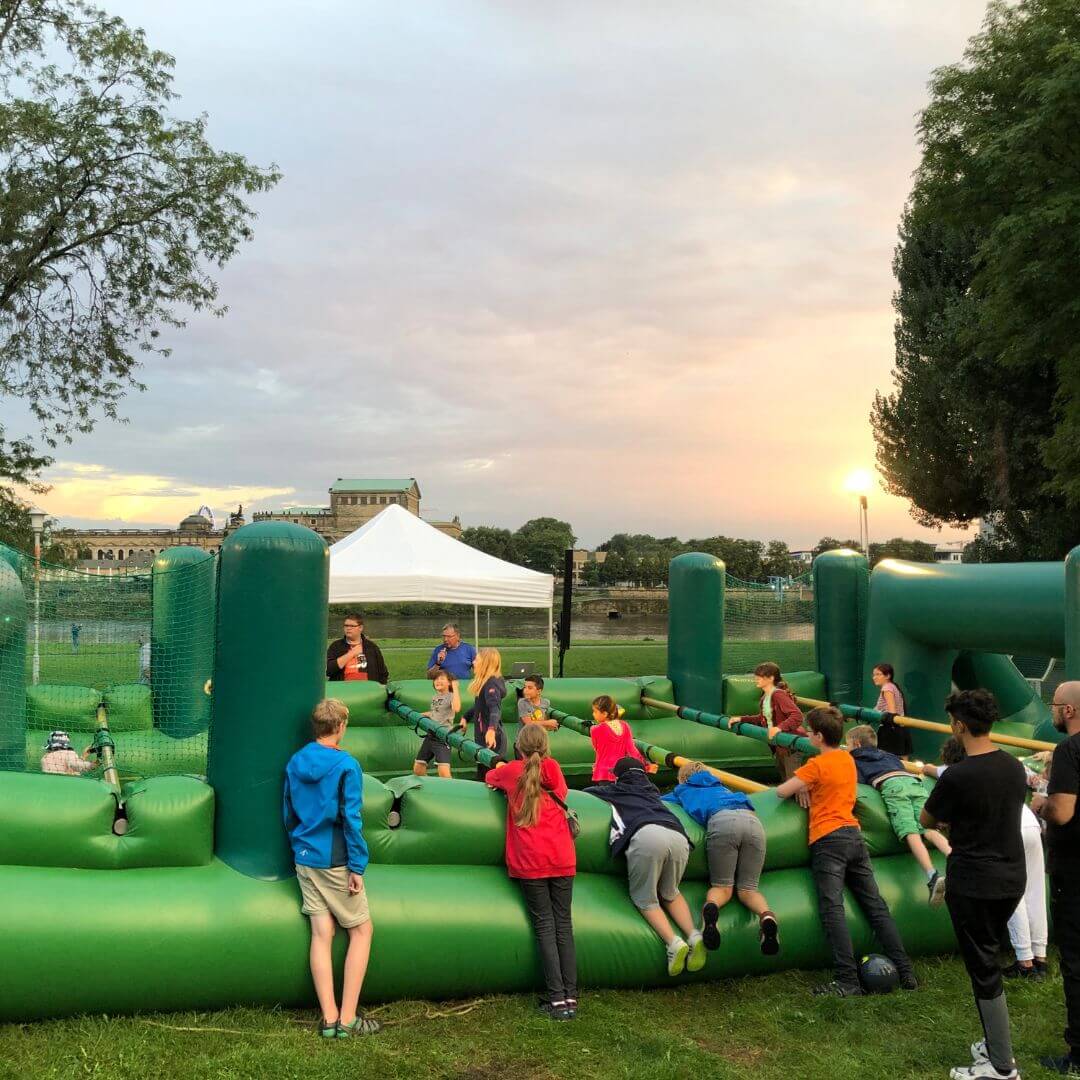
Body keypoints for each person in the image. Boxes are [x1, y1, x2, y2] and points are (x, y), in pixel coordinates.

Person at [775, 705, 917, 997]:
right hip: (853, 835)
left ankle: (847, 979)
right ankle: (906, 972)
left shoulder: (816, 765)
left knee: (833, 909)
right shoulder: (847, 759)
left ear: (817, 737)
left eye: (809, 732)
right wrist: (807, 785)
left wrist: (802, 785)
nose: (807, 735)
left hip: (828, 839)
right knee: (876, 906)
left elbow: (781, 791)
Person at [921, 689, 1026, 1080]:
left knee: (984, 969)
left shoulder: (958, 775)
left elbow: (927, 818)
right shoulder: (1013, 767)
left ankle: (1001, 1066)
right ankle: (994, 1044)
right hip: (1011, 877)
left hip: (975, 882)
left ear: (959, 726)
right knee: (987, 960)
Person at [283, 699, 380, 1038]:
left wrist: (298, 845)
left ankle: (329, 1019)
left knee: (322, 933)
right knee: (362, 931)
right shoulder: (346, 765)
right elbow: (351, 818)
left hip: (305, 856)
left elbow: (288, 811)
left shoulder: (296, 760)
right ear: (340, 727)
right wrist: (357, 865)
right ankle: (348, 1018)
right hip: (334, 859)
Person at [486, 724, 577, 1019]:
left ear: (519, 747)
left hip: (531, 859)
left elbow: (490, 777)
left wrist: (499, 768)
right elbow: (561, 791)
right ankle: (570, 996)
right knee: (563, 925)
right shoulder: (553, 768)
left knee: (545, 927)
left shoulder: (513, 771)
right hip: (561, 854)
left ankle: (557, 999)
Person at [586, 756, 705, 977]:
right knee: (671, 893)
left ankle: (673, 943)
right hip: (679, 836)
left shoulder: (615, 790)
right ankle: (694, 935)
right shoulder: (653, 792)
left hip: (647, 835)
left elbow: (586, 794)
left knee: (645, 899)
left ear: (617, 777)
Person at [662, 760, 780, 955]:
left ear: (683, 779)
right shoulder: (723, 788)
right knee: (749, 889)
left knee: (722, 888)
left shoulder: (683, 789)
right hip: (753, 823)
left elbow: (661, 801)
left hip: (722, 821)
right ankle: (767, 917)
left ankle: (711, 913)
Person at [846, 724, 950, 905]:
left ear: (856, 744)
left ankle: (932, 875)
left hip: (892, 786)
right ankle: (956, 858)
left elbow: (857, 781)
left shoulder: (854, 759)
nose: (847, 748)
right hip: (913, 782)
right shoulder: (889, 755)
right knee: (929, 828)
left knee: (910, 831)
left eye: (848, 745)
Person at [1033, 680, 1080, 1075]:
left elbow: (1062, 812)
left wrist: (1041, 804)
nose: (1051, 710)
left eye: (1053, 703)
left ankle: (1078, 1052)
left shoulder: (1069, 749)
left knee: (1076, 959)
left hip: (1074, 870)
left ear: (1069, 710)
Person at [737, 662, 807, 781]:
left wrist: (779, 728)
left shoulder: (778, 694)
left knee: (793, 783)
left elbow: (797, 715)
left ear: (771, 678)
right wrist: (741, 719)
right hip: (779, 744)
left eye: (760, 676)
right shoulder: (766, 696)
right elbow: (762, 718)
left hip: (790, 745)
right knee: (785, 776)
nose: (756, 679)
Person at [465, 648, 507, 780]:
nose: (473, 662)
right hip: (483, 738)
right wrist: (465, 718)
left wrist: (491, 730)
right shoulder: (485, 683)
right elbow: (480, 707)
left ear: (486, 663)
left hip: (492, 740)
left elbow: (495, 709)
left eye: (476, 660)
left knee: (490, 778)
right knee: (483, 776)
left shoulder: (491, 684)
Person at [413, 671, 460, 779]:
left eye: (442, 679)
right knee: (418, 769)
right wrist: (421, 715)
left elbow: (456, 708)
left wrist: (455, 688)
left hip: (442, 737)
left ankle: (452, 789)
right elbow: (435, 713)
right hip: (430, 736)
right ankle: (429, 787)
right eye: (436, 679)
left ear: (449, 682)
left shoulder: (451, 696)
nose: (438, 681)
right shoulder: (435, 697)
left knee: (444, 774)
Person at [589, 695, 646, 782]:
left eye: (595, 711)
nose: (593, 714)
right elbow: (632, 750)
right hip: (620, 772)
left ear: (605, 714)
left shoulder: (595, 729)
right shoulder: (625, 726)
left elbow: (596, 749)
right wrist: (644, 765)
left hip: (603, 773)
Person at [326, 614, 389, 684]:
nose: (348, 628)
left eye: (352, 626)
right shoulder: (336, 646)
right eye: (346, 625)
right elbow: (328, 670)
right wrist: (351, 653)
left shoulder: (371, 647)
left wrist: (382, 687)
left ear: (360, 628)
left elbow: (383, 672)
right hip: (343, 688)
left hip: (367, 687)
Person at [872, 662, 913, 759]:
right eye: (873, 675)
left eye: (878, 674)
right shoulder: (893, 686)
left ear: (888, 676)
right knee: (903, 760)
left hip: (890, 729)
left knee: (885, 759)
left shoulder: (887, 688)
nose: (874, 677)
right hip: (901, 727)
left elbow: (892, 711)